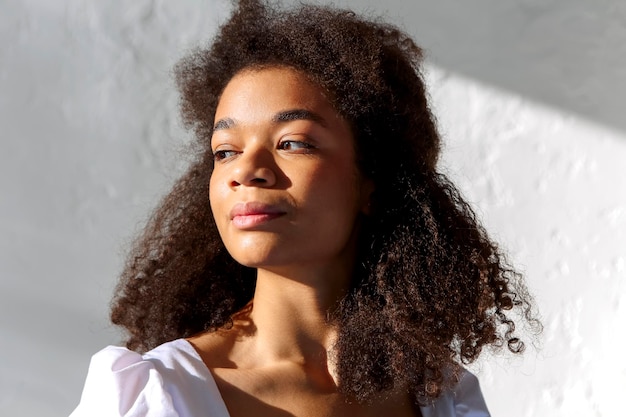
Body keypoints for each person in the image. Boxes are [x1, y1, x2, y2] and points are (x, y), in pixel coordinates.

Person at [71, 0, 538, 416]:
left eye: (292, 142)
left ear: (372, 182)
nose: (247, 169)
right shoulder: (157, 396)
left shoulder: (441, 397)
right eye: (225, 151)